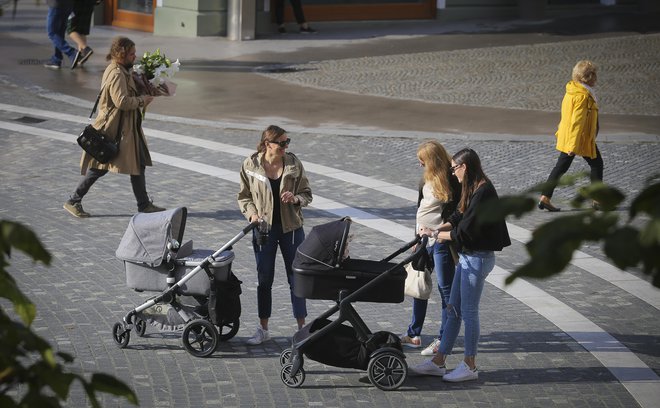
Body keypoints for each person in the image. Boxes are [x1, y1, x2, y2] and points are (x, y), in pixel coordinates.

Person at [411, 148, 511, 382]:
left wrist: (436, 236)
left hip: (478, 259)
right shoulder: (472, 186)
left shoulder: (484, 191)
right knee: (453, 309)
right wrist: (437, 229)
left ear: (464, 167)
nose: (452, 172)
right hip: (468, 257)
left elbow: (463, 233)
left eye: (455, 168)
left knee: (468, 312)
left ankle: (470, 365)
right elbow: (457, 216)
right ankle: (438, 362)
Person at [63, 36, 165, 217]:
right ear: (121, 54)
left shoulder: (122, 69)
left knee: (138, 162)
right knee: (99, 167)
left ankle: (144, 204)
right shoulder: (117, 73)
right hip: (115, 129)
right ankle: (74, 200)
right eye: (132, 53)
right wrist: (143, 100)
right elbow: (121, 102)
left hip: (127, 128)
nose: (135, 56)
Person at [237, 125, 313, 345]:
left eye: (287, 142)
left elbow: (307, 194)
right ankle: (263, 328)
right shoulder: (250, 165)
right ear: (267, 143)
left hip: (292, 230)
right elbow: (243, 197)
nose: (285, 146)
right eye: (281, 143)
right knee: (264, 279)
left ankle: (302, 328)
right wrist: (252, 215)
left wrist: (296, 198)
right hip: (264, 230)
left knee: (296, 277)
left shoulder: (293, 163)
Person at [400, 140, 459, 358]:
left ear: (432, 161)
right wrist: (417, 237)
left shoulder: (451, 182)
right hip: (423, 241)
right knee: (419, 285)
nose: (420, 165)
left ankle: (444, 338)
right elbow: (420, 208)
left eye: (422, 161)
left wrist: (439, 234)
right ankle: (414, 334)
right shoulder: (425, 180)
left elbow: (455, 215)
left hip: (441, 242)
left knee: (446, 290)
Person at [538, 60, 603, 212]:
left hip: (572, 137)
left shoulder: (573, 90)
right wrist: (572, 146)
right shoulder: (583, 96)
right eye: (594, 75)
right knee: (596, 164)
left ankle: (545, 197)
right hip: (580, 139)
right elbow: (577, 122)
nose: (596, 78)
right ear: (588, 77)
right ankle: (597, 199)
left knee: (561, 167)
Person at [44, 0, 77, 69]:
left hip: (56, 3)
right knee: (59, 33)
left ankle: (71, 52)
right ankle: (57, 58)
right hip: (68, 5)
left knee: (52, 33)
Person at [68, 0, 99, 69]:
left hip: (76, 5)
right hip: (89, 5)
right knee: (81, 31)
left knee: (70, 30)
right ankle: (81, 56)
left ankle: (85, 49)